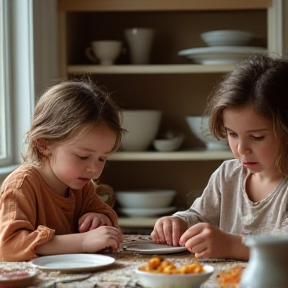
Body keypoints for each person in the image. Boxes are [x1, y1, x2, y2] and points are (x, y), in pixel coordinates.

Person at [151, 54, 288, 261]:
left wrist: (233, 246)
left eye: (257, 137)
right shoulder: (228, 174)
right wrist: (179, 222)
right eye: (232, 134)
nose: (241, 149)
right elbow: (199, 216)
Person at [0, 79, 125, 261]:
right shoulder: (22, 185)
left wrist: (100, 218)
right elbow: (8, 246)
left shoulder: (81, 186)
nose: (93, 169)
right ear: (44, 144)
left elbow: (107, 216)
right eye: (83, 156)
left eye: (102, 158)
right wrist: (82, 242)